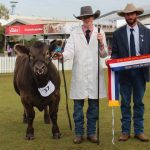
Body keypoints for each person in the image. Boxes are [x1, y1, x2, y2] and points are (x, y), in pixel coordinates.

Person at [55, 6, 108, 144]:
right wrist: (62, 55)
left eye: (89, 16)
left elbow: (104, 54)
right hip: (79, 75)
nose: (87, 19)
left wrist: (101, 42)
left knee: (94, 108)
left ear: (93, 17)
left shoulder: (100, 32)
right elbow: (69, 51)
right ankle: (79, 133)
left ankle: (91, 133)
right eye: (84, 17)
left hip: (95, 76)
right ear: (81, 19)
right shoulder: (74, 34)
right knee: (78, 108)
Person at [111, 3, 150, 142]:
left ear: (136, 15)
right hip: (124, 74)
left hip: (141, 73)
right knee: (125, 103)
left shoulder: (147, 32)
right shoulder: (117, 33)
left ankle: (139, 131)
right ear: (125, 16)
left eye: (132, 14)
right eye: (127, 14)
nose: (130, 16)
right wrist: (112, 62)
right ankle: (125, 132)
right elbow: (115, 53)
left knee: (139, 102)